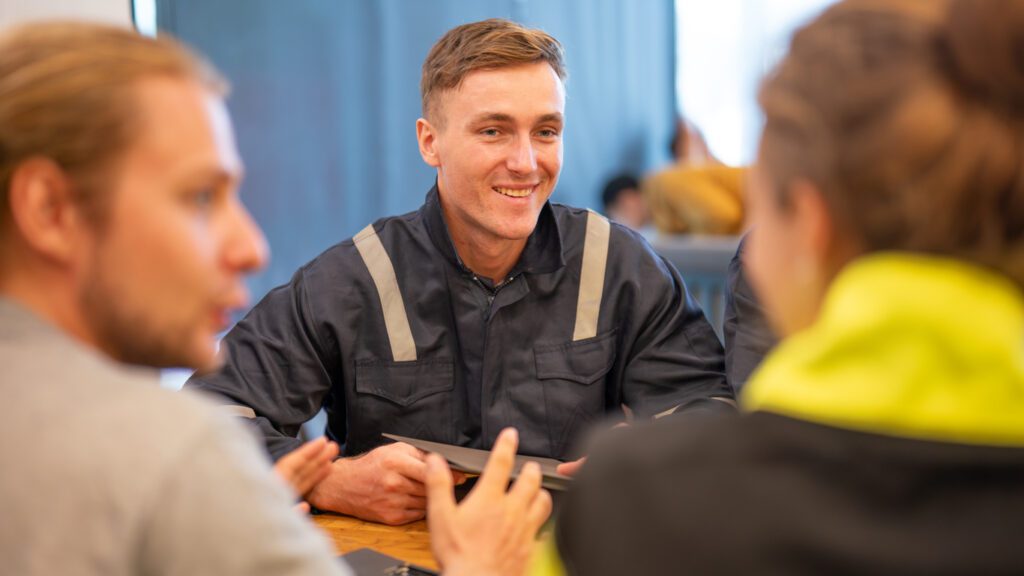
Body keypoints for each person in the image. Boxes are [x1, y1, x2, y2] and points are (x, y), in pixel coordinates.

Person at [475, 0, 1024, 572]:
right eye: (493, 130)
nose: (523, 161)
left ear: (810, 224)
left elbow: (702, 399)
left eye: (760, 203)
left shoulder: (645, 505)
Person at [0, 21, 548, 576]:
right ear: (49, 211)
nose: (251, 247)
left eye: (546, 131)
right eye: (199, 197)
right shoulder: (167, 454)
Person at [186, 18, 733, 525]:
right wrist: (329, 480)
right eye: (494, 131)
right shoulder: (353, 280)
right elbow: (208, 420)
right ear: (430, 142)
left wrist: (640, 463)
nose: (526, 162)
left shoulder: (618, 266)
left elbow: (710, 408)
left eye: (545, 131)